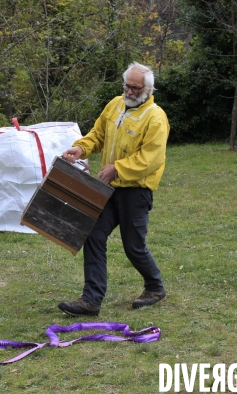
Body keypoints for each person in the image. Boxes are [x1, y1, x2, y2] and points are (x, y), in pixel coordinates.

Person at [58, 62, 170, 316]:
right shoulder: (115, 105)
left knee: (133, 245)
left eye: (135, 87)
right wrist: (81, 148)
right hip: (108, 189)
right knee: (93, 234)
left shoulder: (155, 117)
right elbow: (98, 134)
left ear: (148, 88)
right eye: (126, 86)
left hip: (135, 191)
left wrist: (117, 169)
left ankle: (155, 286)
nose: (129, 91)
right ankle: (91, 300)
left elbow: (151, 158)